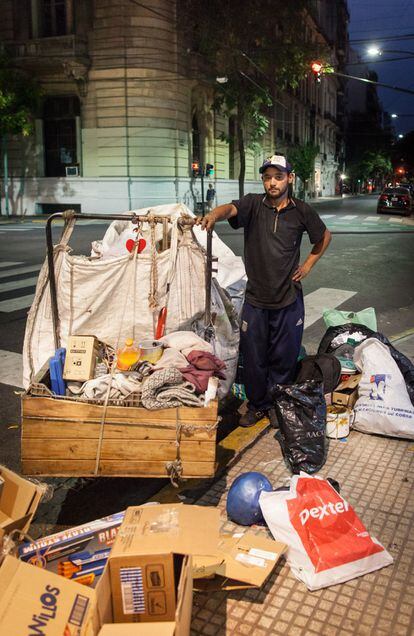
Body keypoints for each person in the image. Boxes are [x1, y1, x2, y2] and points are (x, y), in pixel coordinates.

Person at [197, 153, 332, 427]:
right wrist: (213, 214)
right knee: (256, 358)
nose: (272, 183)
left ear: (289, 179)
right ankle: (258, 405)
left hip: (288, 299)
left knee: (283, 358)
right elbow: (230, 209)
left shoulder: (302, 211)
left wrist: (307, 265)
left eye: (278, 177)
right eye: (268, 177)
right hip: (256, 300)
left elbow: (324, 237)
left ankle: (277, 404)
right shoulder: (253, 205)